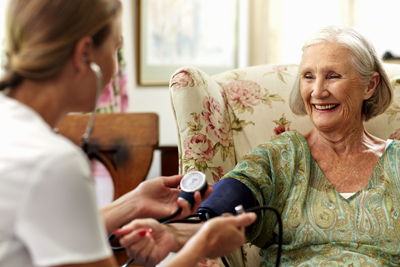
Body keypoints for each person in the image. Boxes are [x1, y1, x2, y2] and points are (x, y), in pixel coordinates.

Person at [0, 1, 256, 267]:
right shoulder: (52, 162)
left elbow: (50, 223)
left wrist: (133, 203)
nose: (114, 69)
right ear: (84, 54)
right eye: (116, 50)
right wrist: (200, 245)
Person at [120, 25, 400, 266]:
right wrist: (176, 234)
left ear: (369, 86)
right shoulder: (283, 155)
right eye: (308, 76)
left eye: (333, 76)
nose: (317, 91)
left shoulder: (396, 161)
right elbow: (229, 199)